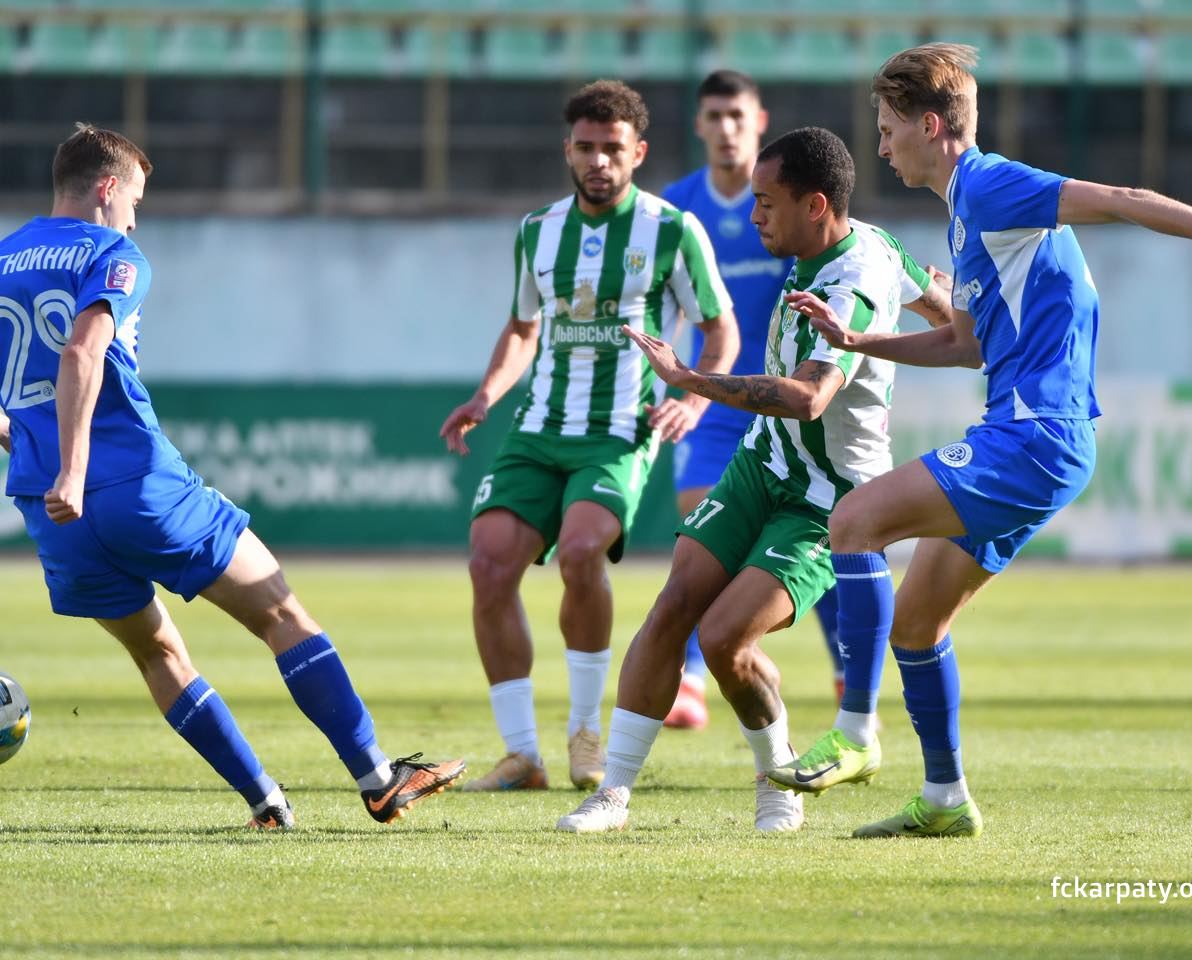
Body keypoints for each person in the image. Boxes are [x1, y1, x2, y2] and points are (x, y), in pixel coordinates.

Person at [768, 42, 1192, 838]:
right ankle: (945, 798)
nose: (881, 148)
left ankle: (855, 733)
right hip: (1028, 435)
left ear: (931, 126)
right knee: (916, 623)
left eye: (888, 130)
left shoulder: (990, 185)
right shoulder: (969, 215)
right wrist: (860, 343)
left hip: (1035, 436)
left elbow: (1125, 198)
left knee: (853, 520)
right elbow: (964, 343)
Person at [0, 124, 464, 829]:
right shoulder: (113, 254)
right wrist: (74, 465)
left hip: (49, 509)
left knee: (157, 653)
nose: (135, 218)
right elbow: (81, 351)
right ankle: (379, 778)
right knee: (281, 612)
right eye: (134, 200)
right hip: (134, 484)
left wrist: (27, 442)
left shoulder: (6, 256)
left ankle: (265, 801)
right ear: (107, 187)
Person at [553, 126, 957, 834]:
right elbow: (945, 309)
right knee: (674, 605)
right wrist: (960, 320)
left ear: (816, 205)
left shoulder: (853, 281)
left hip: (828, 499)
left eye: (767, 202)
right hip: (762, 464)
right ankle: (612, 795)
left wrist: (690, 379)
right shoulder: (872, 243)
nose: (754, 215)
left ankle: (778, 778)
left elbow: (809, 398)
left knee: (724, 638)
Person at [440, 81, 739, 791]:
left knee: (580, 552)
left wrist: (693, 400)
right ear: (567, 150)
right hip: (537, 428)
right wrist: (486, 394)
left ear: (638, 152)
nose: (598, 160)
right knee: (488, 565)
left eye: (612, 148)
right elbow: (523, 327)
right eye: (585, 147)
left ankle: (584, 734)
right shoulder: (537, 230)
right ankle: (522, 755)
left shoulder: (671, 229)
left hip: (619, 432)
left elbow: (719, 329)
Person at [659, 69, 834, 730]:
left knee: (820, 539)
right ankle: (695, 675)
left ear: (759, 121)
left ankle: (849, 681)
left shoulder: (790, 200)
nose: (726, 128)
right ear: (699, 125)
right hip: (714, 405)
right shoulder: (677, 209)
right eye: (714, 116)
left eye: (738, 115)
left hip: (789, 399)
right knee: (703, 527)